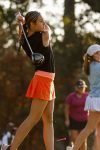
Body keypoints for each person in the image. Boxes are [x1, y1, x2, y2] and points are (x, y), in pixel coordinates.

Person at [1, 11, 55, 150]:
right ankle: (12, 148)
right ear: (32, 24)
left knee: (48, 120)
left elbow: (22, 32)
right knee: (33, 118)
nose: (44, 23)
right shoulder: (43, 35)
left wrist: (21, 22)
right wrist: (23, 21)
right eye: (41, 21)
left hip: (48, 81)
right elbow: (48, 30)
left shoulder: (26, 38)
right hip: (43, 79)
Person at [64, 79, 88, 150]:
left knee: (83, 140)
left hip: (84, 120)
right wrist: (67, 119)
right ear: (76, 87)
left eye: (83, 87)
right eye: (80, 87)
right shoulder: (71, 96)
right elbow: (66, 108)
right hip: (73, 120)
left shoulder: (87, 96)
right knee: (74, 139)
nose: (82, 89)